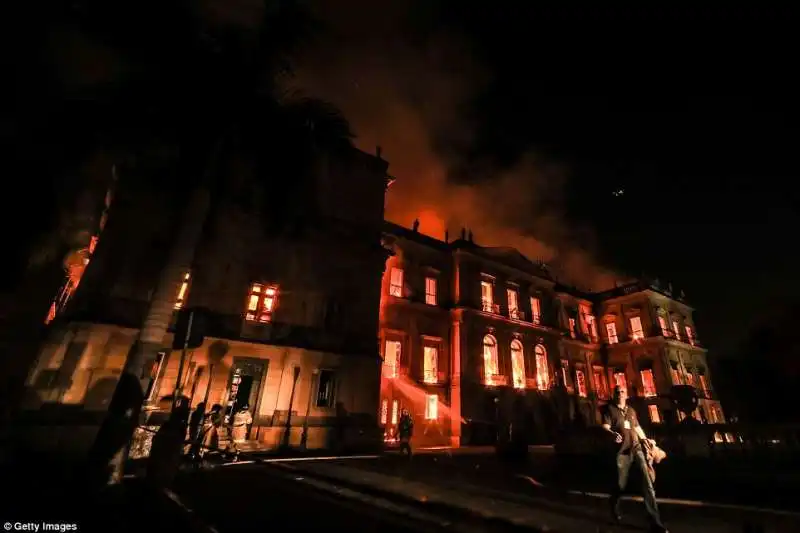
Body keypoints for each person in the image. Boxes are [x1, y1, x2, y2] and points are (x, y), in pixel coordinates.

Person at [601, 387, 669, 533]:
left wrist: (646, 440)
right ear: (614, 395)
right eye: (617, 392)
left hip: (636, 449)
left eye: (622, 392)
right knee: (620, 484)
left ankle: (655, 522)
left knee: (647, 482)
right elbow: (605, 426)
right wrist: (612, 434)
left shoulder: (631, 410)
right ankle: (614, 504)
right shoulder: (610, 410)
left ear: (626, 395)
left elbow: (637, 428)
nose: (620, 394)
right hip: (621, 453)